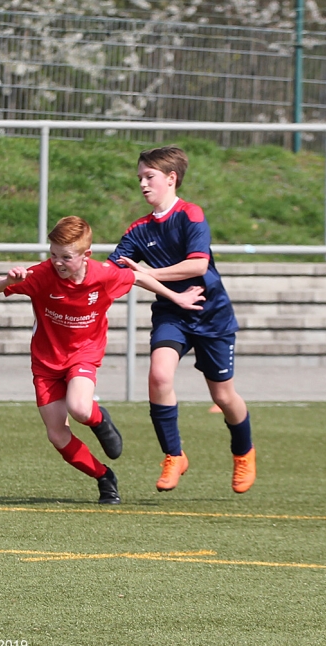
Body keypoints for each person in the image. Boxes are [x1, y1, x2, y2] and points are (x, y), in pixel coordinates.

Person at [0, 215, 206, 505]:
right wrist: (7, 280)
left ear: (86, 255)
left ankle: (99, 420)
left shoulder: (103, 274)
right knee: (57, 435)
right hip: (46, 361)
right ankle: (104, 476)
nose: (58, 263)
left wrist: (176, 298)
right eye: (53, 255)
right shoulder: (40, 275)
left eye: (66, 257)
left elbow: (138, 277)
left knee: (79, 407)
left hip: (84, 353)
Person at [110, 146, 256, 495]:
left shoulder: (191, 214)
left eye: (149, 177)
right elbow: (113, 269)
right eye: (140, 178)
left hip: (211, 314)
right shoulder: (139, 229)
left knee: (223, 396)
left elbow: (197, 265)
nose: (142, 184)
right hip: (172, 313)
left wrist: (149, 273)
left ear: (171, 178)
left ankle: (243, 453)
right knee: (159, 375)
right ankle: (174, 455)